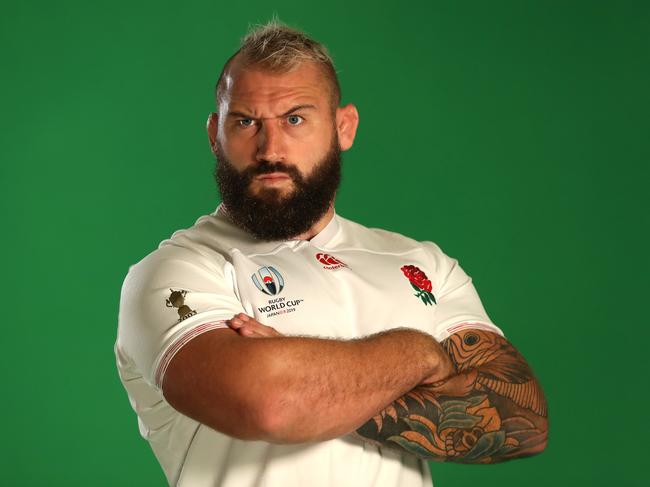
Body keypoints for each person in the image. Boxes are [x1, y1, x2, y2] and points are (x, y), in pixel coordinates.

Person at [115, 19, 548, 487]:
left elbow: (521, 419)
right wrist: (420, 354)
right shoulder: (176, 271)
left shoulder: (423, 264)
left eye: (295, 118)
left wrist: (311, 388)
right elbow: (270, 405)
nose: (270, 148)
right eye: (245, 122)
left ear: (344, 127)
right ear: (214, 134)